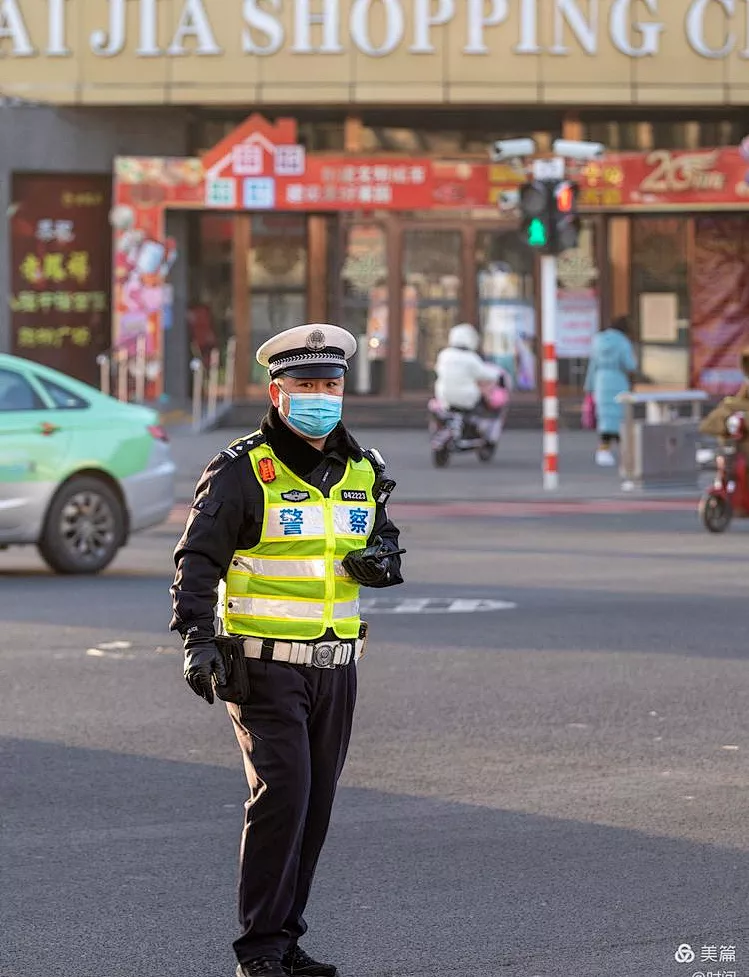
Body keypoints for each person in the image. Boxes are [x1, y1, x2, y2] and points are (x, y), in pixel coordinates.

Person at [170, 324, 405, 977]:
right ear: (277, 391)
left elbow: (380, 542)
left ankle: (284, 936)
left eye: (329, 385)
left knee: (314, 805)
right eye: (305, 385)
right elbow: (198, 557)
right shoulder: (243, 468)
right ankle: (259, 950)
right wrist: (197, 635)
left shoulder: (363, 467)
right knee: (284, 795)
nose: (320, 396)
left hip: (337, 666)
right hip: (264, 665)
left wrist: (380, 561)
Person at [584, 316, 637, 467]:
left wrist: (589, 387)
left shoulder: (598, 340)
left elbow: (592, 365)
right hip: (618, 380)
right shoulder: (622, 342)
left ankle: (603, 450)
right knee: (620, 418)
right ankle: (626, 452)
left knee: (605, 417)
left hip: (601, 380)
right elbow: (630, 364)